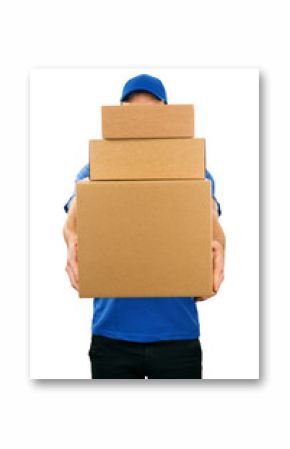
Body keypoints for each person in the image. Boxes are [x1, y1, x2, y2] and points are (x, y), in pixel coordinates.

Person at [63, 74, 225, 379]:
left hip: (177, 335)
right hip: (112, 336)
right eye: (133, 112)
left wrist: (221, 249)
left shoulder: (194, 169)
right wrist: (71, 239)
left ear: (166, 116)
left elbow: (212, 221)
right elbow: (74, 214)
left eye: (151, 112)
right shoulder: (96, 167)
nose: (142, 120)